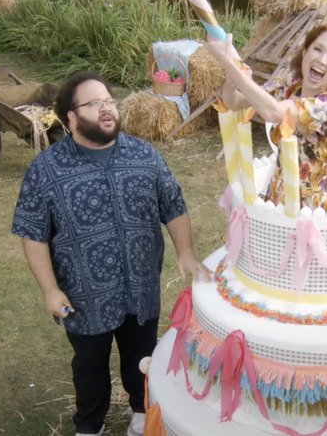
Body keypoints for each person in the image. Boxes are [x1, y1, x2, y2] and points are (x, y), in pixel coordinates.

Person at [11, 71, 211, 436]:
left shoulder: (144, 155)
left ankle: (140, 411)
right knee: (89, 368)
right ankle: (90, 425)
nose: (106, 109)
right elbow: (32, 233)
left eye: (108, 101)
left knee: (142, 357)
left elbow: (174, 206)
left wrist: (186, 252)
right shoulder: (47, 170)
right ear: (70, 117)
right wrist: (50, 291)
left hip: (141, 288)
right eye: (93, 103)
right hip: (84, 297)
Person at [205, 24, 327, 211]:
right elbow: (235, 102)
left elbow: (274, 112)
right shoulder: (292, 83)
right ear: (305, 52)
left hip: (307, 213)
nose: (322, 60)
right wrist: (231, 80)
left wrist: (226, 60)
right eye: (317, 49)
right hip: (275, 200)